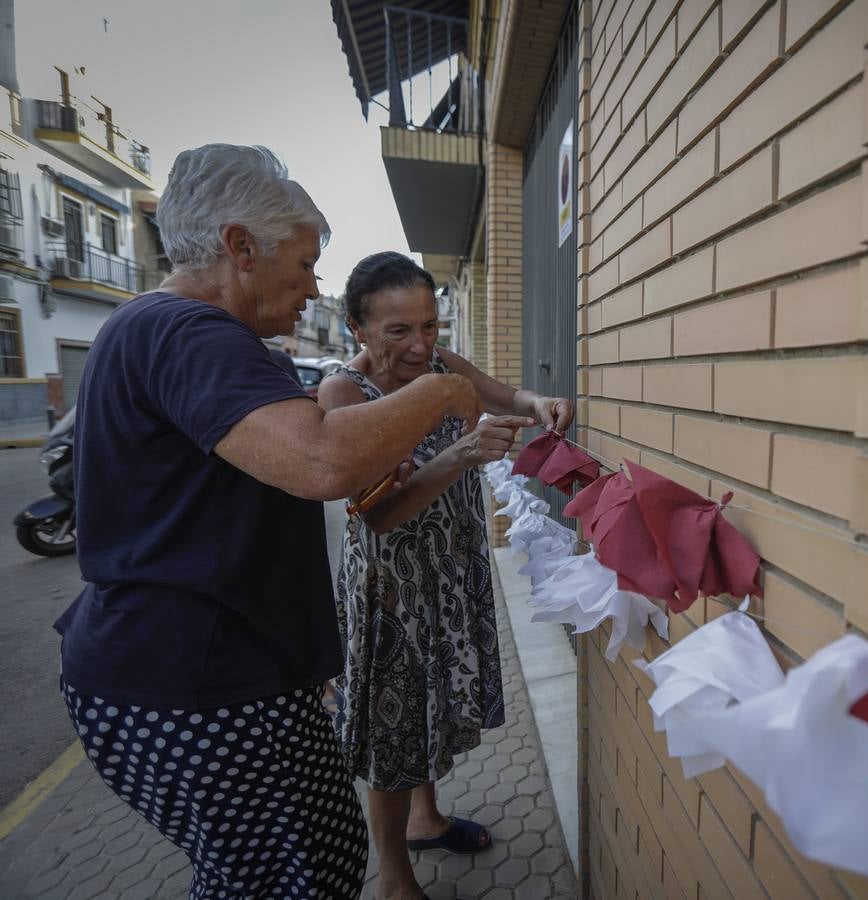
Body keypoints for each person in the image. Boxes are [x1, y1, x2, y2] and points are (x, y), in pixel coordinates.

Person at [53, 145, 482, 900]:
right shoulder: (190, 331)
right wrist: (440, 395)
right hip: (198, 688)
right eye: (307, 263)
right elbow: (319, 463)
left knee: (294, 868)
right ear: (239, 246)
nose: (313, 287)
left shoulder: (160, 329)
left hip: (203, 677)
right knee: (289, 880)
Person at [319, 252, 573, 900]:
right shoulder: (343, 394)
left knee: (424, 717)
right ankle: (395, 881)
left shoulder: (440, 367)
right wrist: (462, 453)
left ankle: (426, 820)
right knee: (389, 732)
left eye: (429, 326)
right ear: (356, 328)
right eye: (397, 331)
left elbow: (501, 393)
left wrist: (539, 402)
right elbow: (375, 514)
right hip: (393, 590)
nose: (419, 345)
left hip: (450, 574)